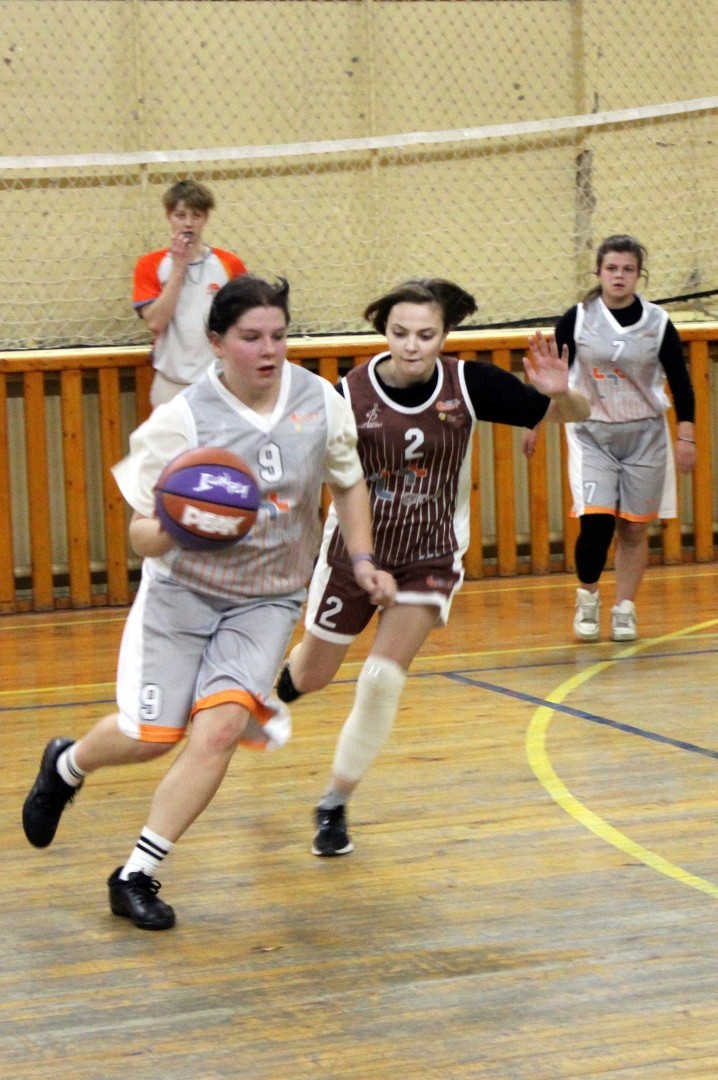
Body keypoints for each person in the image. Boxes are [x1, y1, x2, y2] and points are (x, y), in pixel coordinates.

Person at [22, 275, 396, 930]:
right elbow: (140, 533)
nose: (268, 349)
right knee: (150, 738)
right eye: (251, 337)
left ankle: (136, 874)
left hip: (268, 600)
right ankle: (68, 763)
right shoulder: (183, 418)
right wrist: (181, 522)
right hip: (183, 594)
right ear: (217, 342)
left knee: (220, 728)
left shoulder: (319, 401)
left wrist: (362, 559)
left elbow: (350, 483)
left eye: (278, 335)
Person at [275, 277, 591, 857]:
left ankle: (334, 804)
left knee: (381, 679)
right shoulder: (347, 394)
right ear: (384, 333)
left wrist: (562, 393)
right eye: (400, 333)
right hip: (353, 553)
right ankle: (277, 691)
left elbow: (577, 415)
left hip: (429, 554)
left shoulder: (470, 384)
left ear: (445, 335)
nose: (412, 345)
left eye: (425, 334)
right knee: (314, 674)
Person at [523, 234, 696, 643]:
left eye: (628, 269)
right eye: (612, 268)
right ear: (599, 272)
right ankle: (588, 596)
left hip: (645, 435)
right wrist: (532, 421)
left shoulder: (657, 322)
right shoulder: (578, 319)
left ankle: (624, 608)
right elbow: (551, 376)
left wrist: (686, 436)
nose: (619, 276)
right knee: (596, 523)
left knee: (633, 530)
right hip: (591, 432)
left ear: (639, 275)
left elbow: (681, 381)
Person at [133, 179, 247, 407]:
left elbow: (244, 322)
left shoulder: (229, 264)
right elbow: (156, 322)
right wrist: (178, 267)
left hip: (218, 381)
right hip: (171, 382)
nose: (188, 224)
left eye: (196, 216)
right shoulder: (150, 264)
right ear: (169, 216)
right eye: (180, 215)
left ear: (206, 218)